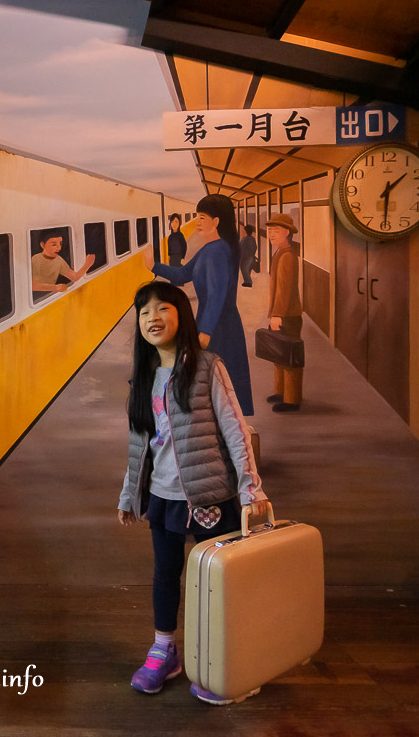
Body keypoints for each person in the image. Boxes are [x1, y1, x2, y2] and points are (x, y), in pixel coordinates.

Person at [117, 280, 271, 705]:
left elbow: (235, 429)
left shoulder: (206, 366)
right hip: (163, 496)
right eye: (144, 311)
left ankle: (224, 659)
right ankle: (165, 651)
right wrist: (130, 494)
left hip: (209, 495)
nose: (153, 317)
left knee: (215, 581)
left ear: (181, 316)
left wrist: (249, 487)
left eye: (163, 308)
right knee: (165, 574)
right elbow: (138, 442)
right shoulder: (143, 375)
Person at [146, 194, 255, 416]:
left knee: (219, 377)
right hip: (214, 321)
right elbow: (183, 274)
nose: (197, 222)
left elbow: (217, 293)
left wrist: (206, 330)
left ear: (216, 222)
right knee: (214, 378)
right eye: (197, 216)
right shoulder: (210, 249)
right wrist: (154, 266)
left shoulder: (217, 252)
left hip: (220, 326)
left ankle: (226, 427)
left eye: (202, 217)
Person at [265, 214, 303, 413]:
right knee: (278, 354)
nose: (271, 234)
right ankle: (281, 392)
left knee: (289, 358)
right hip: (281, 314)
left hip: (288, 315)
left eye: (276, 230)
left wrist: (277, 314)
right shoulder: (280, 252)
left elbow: (285, 289)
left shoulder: (287, 255)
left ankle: (292, 399)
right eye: (270, 230)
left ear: (287, 232)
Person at [31, 229, 95, 293]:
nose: (59, 248)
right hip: (38, 297)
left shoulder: (59, 260)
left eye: (60, 244)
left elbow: (74, 277)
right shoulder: (36, 259)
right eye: (54, 244)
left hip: (51, 295)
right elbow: (34, 286)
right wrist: (55, 287)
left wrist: (88, 264)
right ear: (43, 245)